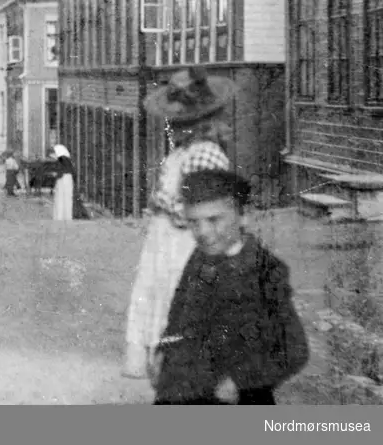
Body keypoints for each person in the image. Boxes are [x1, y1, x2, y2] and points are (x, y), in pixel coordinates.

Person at [151, 169, 308, 405]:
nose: (203, 232)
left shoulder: (265, 271)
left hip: (237, 397)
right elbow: (180, 310)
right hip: (184, 389)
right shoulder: (200, 257)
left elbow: (294, 349)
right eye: (194, 222)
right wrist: (164, 348)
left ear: (243, 216)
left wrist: (242, 381)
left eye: (214, 220)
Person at [124, 67, 233, 379]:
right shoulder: (182, 154)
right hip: (167, 241)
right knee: (161, 295)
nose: (172, 126)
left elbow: (203, 208)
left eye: (180, 121)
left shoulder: (205, 155)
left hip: (187, 244)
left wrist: (164, 202)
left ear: (200, 122)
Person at [51, 144, 74, 221]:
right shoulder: (67, 160)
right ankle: (67, 216)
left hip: (62, 180)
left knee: (60, 198)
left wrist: (55, 174)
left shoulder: (60, 160)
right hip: (68, 179)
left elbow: (60, 172)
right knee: (67, 199)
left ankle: (59, 216)